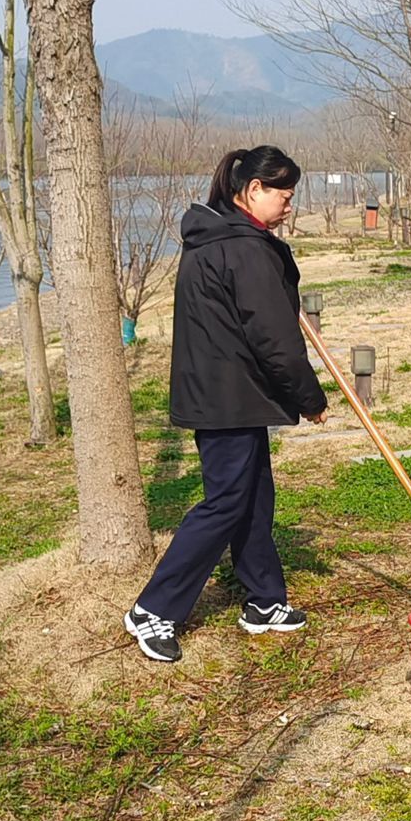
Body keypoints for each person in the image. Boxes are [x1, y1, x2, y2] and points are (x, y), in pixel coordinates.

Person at [124, 146, 328, 663]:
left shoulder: (219, 236)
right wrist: (308, 397)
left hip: (232, 392)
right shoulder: (242, 248)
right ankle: (153, 609)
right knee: (223, 504)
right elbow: (274, 341)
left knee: (253, 495)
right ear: (253, 190)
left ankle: (263, 601)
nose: (288, 206)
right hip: (225, 397)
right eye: (284, 196)